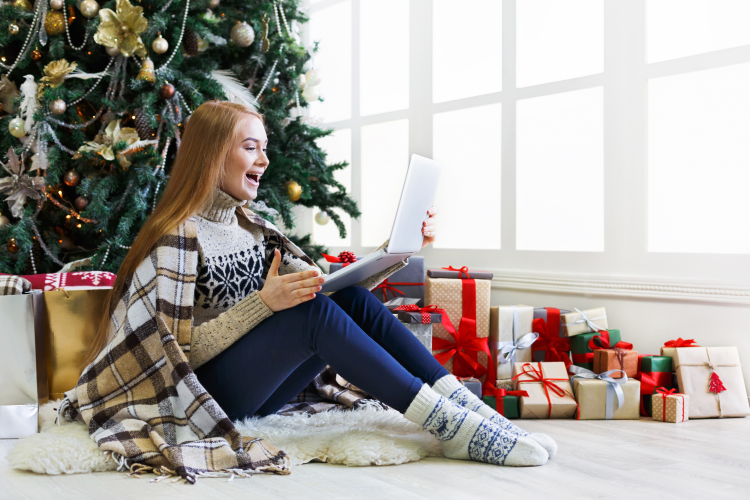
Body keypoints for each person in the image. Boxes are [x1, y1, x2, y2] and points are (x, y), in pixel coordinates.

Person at [76, 101, 555, 476]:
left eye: (264, 147)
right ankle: (447, 425)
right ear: (211, 154)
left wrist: (396, 250)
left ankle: (466, 408)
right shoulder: (177, 238)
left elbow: (331, 287)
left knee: (341, 298)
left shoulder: (256, 227)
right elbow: (174, 357)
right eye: (250, 147)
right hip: (201, 395)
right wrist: (263, 305)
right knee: (310, 315)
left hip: (257, 391)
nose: (264, 159)